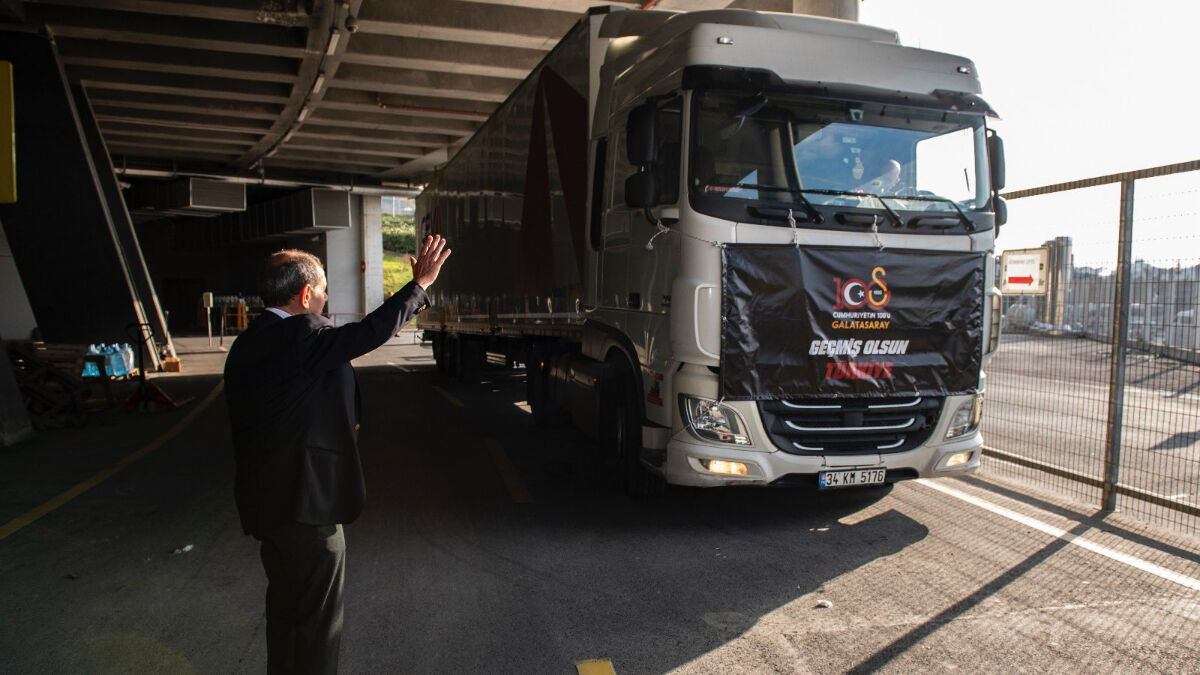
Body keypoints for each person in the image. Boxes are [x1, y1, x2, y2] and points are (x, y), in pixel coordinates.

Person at [224, 235, 451, 674]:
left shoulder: (248, 342)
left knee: (286, 615)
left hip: (265, 506)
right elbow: (368, 333)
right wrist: (419, 285)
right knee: (318, 626)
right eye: (324, 291)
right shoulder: (304, 333)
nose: (327, 300)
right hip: (306, 508)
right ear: (305, 293)